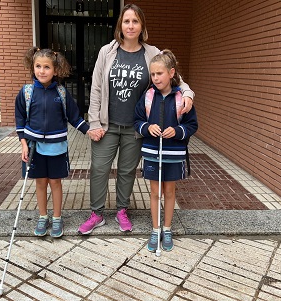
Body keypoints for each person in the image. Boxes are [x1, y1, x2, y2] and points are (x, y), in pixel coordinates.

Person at [78, 4, 195, 235]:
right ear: (120, 25)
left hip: (135, 127)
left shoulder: (152, 53)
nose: (130, 26)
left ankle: (122, 210)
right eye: (126, 21)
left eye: (135, 21)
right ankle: (97, 214)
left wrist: (188, 94)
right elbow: (96, 88)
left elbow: (176, 78)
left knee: (126, 170)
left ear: (142, 26)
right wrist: (93, 123)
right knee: (99, 168)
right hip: (107, 125)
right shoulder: (107, 52)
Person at [15, 47, 89, 237]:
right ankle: (42, 216)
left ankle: (57, 217)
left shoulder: (62, 93)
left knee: (55, 182)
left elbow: (74, 117)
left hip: (57, 146)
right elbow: (20, 120)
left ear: (55, 70)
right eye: (38, 66)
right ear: (33, 67)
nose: (42, 71)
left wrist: (90, 131)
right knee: (40, 182)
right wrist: (23, 144)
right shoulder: (27, 93)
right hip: (34, 147)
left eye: (46, 67)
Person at [134, 49, 198, 251]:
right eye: (152, 74)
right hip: (153, 152)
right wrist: (147, 128)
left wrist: (178, 131)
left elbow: (192, 125)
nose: (155, 78)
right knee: (155, 192)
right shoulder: (148, 97)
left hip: (174, 154)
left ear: (171, 73)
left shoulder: (182, 99)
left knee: (169, 192)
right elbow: (137, 120)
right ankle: (155, 229)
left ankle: (167, 229)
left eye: (159, 73)